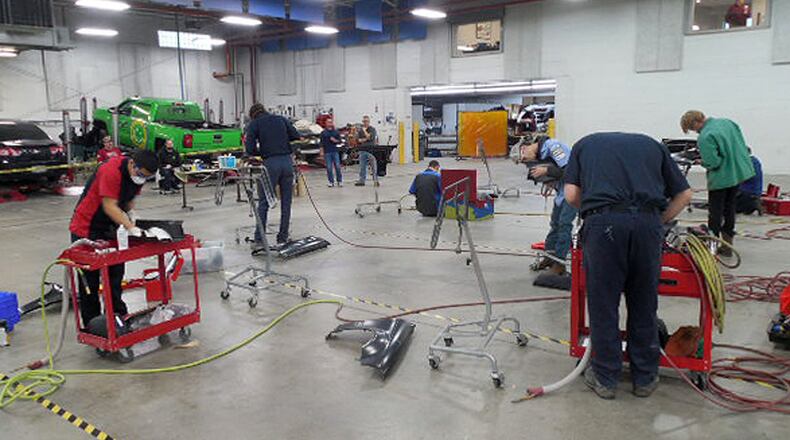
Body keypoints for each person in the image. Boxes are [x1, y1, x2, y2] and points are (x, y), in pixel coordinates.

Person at [564, 132, 693, 400]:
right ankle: (645, 377)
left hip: (604, 225)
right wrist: (658, 222)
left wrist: (593, 212)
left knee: (603, 304)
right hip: (648, 226)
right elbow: (685, 194)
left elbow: (571, 194)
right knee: (644, 301)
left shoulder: (583, 145)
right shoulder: (653, 146)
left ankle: (606, 378)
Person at [69, 149, 159, 326]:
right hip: (87, 227)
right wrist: (130, 227)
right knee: (90, 283)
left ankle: (117, 319)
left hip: (112, 228)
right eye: (141, 175)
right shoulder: (111, 170)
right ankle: (93, 325)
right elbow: (109, 206)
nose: (141, 179)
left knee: (115, 277)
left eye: (146, 177)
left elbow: (129, 199)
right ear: (132, 164)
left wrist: (131, 214)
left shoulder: (138, 175)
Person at [680, 110, 755, 255]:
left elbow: (713, 162)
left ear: (695, 122)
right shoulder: (727, 123)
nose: (695, 132)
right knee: (729, 208)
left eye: (692, 128)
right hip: (738, 173)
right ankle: (727, 246)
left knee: (715, 213)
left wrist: (701, 161)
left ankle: (712, 247)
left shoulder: (705, 136)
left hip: (722, 177)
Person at [244, 103, 301, 245]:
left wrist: (262, 151)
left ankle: (260, 239)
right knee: (286, 202)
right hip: (287, 163)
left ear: (252, 115)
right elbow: (296, 135)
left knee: (264, 202)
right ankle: (283, 237)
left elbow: (250, 149)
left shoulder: (254, 124)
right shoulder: (281, 119)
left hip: (270, 164)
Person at [521, 135, 576, 275]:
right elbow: (558, 171)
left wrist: (546, 171)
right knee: (555, 224)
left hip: (574, 190)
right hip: (562, 191)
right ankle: (550, 257)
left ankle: (560, 263)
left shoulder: (553, 146)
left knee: (564, 224)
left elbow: (570, 170)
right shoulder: (542, 154)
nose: (525, 161)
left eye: (524, 158)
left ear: (525, 148)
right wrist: (550, 181)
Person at [736, 150, 763, 215]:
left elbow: (744, 177)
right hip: (755, 194)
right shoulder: (755, 161)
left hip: (748, 194)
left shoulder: (747, 162)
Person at [354, 115, 378, 186]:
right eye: (364, 121)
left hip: (371, 150)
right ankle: (362, 181)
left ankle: (375, 180)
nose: (365, 123)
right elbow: (358, 140)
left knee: (374, 166)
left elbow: (370, 138)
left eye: (366, 121)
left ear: (369, 122)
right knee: (362, 166)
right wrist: (365, 139)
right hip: (362, 150)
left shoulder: (372, 129)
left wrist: (365, 132)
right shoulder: (360, 130)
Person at [320, 118, 343, 188]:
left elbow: (340, 141)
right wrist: (321, 151)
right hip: (327, 152)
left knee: (338, 167)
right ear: (326, 123)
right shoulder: (323, 132)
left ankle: (339, 181)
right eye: (328, 122)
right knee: (329, 167)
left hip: (335, 151)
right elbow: (321, 143)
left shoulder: (336, 132)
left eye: (331, 122)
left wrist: (335, 140)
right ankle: (331, 182)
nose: (330, 123)